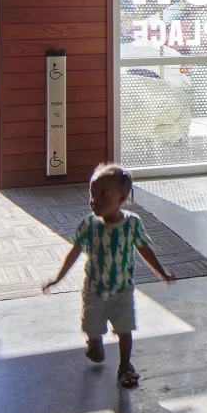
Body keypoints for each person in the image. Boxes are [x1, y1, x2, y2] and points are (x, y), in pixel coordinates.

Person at [44, 162, 175, 388]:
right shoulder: (88, 224)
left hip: (122, 290)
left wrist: (161, 272)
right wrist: (58, 277)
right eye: (92, 194)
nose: (95, 200)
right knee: (92, 326)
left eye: (104, 194)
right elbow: (74, 251)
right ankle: (94, 341)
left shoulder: (133, 224)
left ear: (122, 199)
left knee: (124, 330)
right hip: (94, 290)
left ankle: (125, 366)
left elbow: (144, 248)